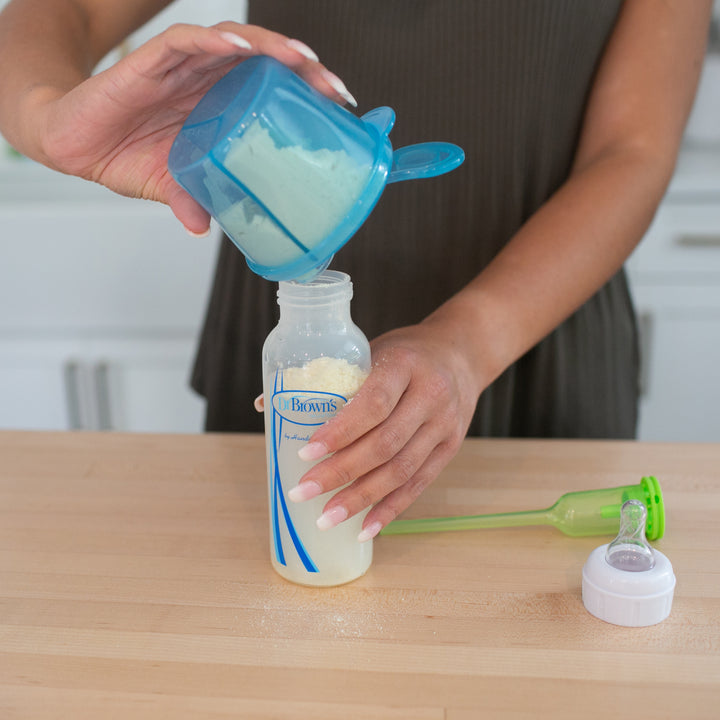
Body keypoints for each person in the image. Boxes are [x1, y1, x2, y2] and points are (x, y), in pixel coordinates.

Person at [0, 0, 712, 542]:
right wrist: (46, 117)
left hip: (530, 339)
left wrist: (467, 345)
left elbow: (632, 152)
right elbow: (62, 12)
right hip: (291, 336)